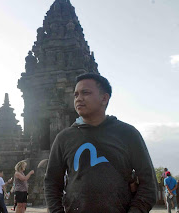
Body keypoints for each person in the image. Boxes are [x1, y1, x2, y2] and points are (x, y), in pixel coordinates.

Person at [44, 73, 158, 212]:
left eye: (85, 93)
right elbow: (51, 182)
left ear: (104, 98)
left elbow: (149, 184)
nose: (79, 98)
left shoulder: (128, 134)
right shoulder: (64, 138)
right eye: (76, 95)